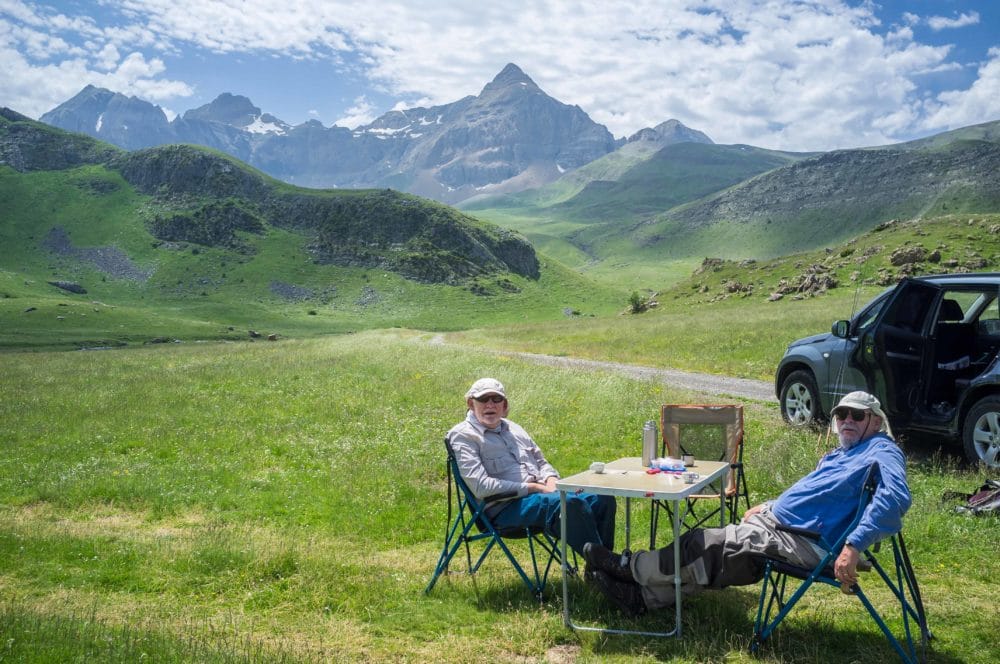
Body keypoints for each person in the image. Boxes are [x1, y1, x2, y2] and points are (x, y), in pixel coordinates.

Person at [582, 391, 911, 616]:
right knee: (705, 546)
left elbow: (895, 498)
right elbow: (811, 494)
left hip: (805, 540)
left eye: (857, 415)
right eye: (841, 414)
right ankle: (641, 598)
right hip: (778, 524)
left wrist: (853, 546)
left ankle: (629, 568)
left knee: (707, 545)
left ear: (876, 421)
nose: (847, 420)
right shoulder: (843, 453)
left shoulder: (882, 450)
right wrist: (769, 505)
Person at [448, 377, 616, 556]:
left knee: (602, 498)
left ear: (504, 405)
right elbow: (481, 487)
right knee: (570, 504)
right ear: (471, 403)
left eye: (496, 399)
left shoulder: (514, 428)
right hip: (505, 509)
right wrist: (533, 488)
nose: (490, 404)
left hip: (541, 497)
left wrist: (551, 480)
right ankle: (608, 568)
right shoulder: (463, 436)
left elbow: (541, 462)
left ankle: (600, 570)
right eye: (483, 399)